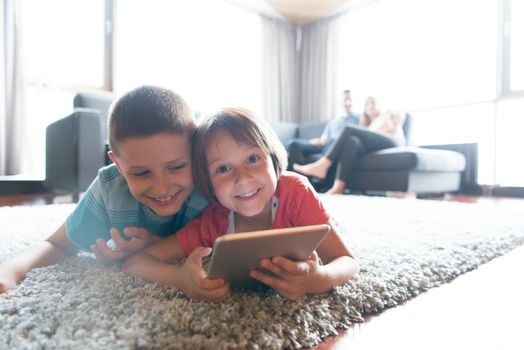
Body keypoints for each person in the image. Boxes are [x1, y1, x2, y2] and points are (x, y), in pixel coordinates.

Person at [123, 107, 360, 302]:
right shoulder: (213, 223)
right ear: (209, 182)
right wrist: (180, 278)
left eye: (252, 159)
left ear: (273, 158)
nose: (242, 178)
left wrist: (317, 279)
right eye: (223, 168)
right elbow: (136, 262)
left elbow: (347, 262)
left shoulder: (296, 192)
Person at [0, 85, 208, 294]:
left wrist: (155, 244)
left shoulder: (210, 184)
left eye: (176, 167)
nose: (162, 188)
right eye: (141, 173)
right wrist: (11, 270)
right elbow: (57, 245)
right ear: (118, 165)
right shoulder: (110, 189)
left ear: (197, 153)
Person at [294, 109, 406, 194]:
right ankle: (338, 187)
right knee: (351, 141)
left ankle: (323, 165)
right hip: (376, 142)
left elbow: (395, 124)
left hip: (393, 140)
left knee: (348, 128)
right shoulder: (376, 121)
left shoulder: (390, 117)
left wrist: (389, 118)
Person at [286, 89, 360, 170]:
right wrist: (316, 141)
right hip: (325, 145)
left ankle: (319, 175)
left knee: (333, 143)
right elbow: (323, 139)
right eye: (345, 100)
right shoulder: (333, 122)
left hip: (337, 146)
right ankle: (301, 179)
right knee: (293, 144)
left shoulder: (358, 118)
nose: (347, 103)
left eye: (349, 99)